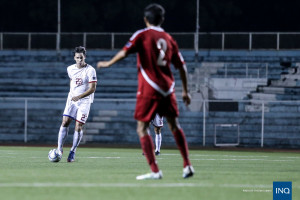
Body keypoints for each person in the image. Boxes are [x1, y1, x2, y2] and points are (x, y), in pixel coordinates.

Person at [97, 3, 194, 180]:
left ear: (145, 19)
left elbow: (125, 52)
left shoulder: (142, 35)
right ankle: (187, 165)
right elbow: (182, 67)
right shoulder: (169, 38)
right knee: (174, 126)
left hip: (149, 87)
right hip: (168, 88)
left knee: (142, 128)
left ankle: (155, 170)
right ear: (162, 19)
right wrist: (185, 91)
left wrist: (108, 63)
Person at [56, 46, 97, 162]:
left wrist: (78, 96)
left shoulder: (90, 70)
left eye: (82, 58)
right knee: (65, 122)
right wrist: (72, 94)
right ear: (74, 57)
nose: (80, 60)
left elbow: (92, 88)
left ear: (85, 57)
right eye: (78, 58)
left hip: (84, 101)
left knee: (78, 126)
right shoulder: (70, 69)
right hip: (72, 100)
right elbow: (72, 80)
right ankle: (59, 149)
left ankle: (72, 151)